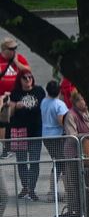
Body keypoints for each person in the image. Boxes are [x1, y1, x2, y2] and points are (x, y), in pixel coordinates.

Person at [7, 71, 44, 200]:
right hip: (20, 131)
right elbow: (9, 112)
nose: (28, 80)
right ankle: (25, 187)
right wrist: (16, 105)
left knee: (34, 161)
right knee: (21, 161)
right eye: (25, 77)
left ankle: (31, 189)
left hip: (35, 131)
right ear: (20, 80)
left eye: (30, 77)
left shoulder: (39, 91)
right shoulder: (15, 93)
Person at [62, 91, 89, 217]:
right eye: (81, 100)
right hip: (74, 155)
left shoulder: (88, 113)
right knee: (75, 185)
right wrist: (87, 135)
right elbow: (72, 135)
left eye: (85, 99)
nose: (84, 102)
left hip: (88, 156)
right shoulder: (71, 115)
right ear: (75, 102)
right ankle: (78, 214)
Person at [0, 38, 32, 155]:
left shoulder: (19, 58)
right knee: (4, 121)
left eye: (15, 48)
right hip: (2, 96)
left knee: (17, 121)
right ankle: (5, 147)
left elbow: (28, 71)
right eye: (11, 49)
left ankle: (18, 145)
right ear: (4, 49)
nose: (14, 51)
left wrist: (17, 63)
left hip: (17, 94)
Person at [40, 80, 68, 204]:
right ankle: (66, 192)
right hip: (57, 136)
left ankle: (53, 191)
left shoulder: (44, 102)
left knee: (57, 163)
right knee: (64, 163)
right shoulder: (59, 104)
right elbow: (61, 120)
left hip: (46, 136)